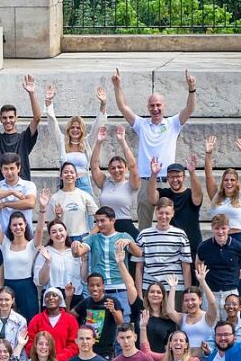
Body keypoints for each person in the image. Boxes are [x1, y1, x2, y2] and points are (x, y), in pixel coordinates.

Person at [113, 67, 196, 230]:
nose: (155, 108)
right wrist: (117, 86)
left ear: (164, 106)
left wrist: (192, 88)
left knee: (173, 226)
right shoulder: (142, 125)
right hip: (145, 182)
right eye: (152, 105)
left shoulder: (173, 123)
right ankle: (144, 255)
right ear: (148, 107)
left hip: (168, 183)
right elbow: (123, 107)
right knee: (144, 227)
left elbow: (190, 109)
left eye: (158, 105)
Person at [73, 207, 142, 326]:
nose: (99, 224)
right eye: (97, 221)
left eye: (103, 220)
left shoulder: (123, 236)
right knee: (96, 329)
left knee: (123, 326)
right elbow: (78, 252)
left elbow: (139, 253)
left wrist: (129, 242)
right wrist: (75, 246)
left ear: (112, 220)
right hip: (99, 291)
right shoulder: (93, 238)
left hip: (120, 289)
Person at [44, 84, 105, 197]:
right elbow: (53, 125)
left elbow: (97, 126)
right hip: (66, 183)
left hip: (83, 183)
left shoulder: (87, 142)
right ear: (68, 129)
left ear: (82, 130)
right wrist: (48, 102)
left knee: (87, 214)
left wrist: (103, 104)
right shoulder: (62, 141)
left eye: (78, 128)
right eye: (72, 127)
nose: (75, 130)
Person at [0, 74, 42, 179]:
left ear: (16, 118)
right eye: (5, 118)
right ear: (0, 119)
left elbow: (37, 118)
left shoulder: (24, 138)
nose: (8, 121)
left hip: (22, 185)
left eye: (11, 117)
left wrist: (31, 93)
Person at [0, 184, 39, 320]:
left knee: (30, 322)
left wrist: (42, 210)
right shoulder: (5, 243)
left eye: (20, 224)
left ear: (25, 225)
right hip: (9, 286)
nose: (18, 227)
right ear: (10, 228)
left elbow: (40, 229)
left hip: (27, 288)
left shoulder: (32, 245)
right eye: (14, 225)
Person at [91, 124, 141, 238]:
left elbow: (133, 165)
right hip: (104, 226)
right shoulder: (105, 182)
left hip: (124, 225)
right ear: (109, 170)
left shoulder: (131, 184)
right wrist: (98, 142)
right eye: (113, 168)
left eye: (120, 167)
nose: (116, 170)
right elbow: (94, 166)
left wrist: (122, 141)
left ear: (125, 168)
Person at [34, 194, 84, 307]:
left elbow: (84, 278)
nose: (58, 234)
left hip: (75, 296)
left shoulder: (75, 251)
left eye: (61, 230)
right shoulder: (45, 252)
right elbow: (40, 282)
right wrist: (47, 263)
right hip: (52, 297)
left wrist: (84, 260)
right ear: (50, 236)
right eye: (54, 232)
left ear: (66, 232)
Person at [136, 197, 193, 294]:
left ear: (173, 214)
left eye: (167, 213)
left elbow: (186, 267)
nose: (163, 216)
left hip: (174, 287)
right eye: (161, 213)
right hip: (149, 287)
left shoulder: (180, 235)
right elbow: (139, 267)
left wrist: (187, 293)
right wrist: (140, 295)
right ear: (156, 212)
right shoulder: (144, 235)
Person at [0, 152, 38, 239]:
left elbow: (30, 203)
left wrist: (6, 204)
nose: (9, 172)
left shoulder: (28, 185)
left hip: (25, 236)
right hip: (2, 237)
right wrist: (11, 192)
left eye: (12, 168)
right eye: (5, 169)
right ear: (1, 170)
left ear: (19, 168)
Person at [73, 273, 125, 361]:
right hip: (87, 348)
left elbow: (120, 323)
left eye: (98, 285)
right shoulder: (86, 302)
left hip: (105, 351)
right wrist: (69, 297)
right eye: (92, 285)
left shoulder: (112, 301)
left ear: (103, 286)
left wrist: (113, 311)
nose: (95, 288)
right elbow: (69, 316)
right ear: (88, 287)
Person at [45, 163, 99, 243]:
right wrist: (57, 217)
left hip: (82, 238)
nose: (69, 174)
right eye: (66, 172)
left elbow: (100, 219)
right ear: (61, 176)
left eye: (72, 172)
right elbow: (49, 224)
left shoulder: (84, 195)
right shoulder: (55, 198)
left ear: (76, 176)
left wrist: (90, 235)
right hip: (63, 239)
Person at [26, 287, 80, 361]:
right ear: (44, 301)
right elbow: (29, 342)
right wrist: (41, 358)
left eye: (54, 295)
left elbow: (74, 345)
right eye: (47, 296)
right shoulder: (36, 320)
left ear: (60, 299)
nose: (51, 298)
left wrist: (58, 359)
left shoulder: (70, 320)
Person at [197, 214, 241, 308]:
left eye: (223, 228)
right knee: (210, 322)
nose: (220, 232)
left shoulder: (238, 247)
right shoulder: (204, 247)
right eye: (217, 228)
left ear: (229, 228)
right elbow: (198, 263)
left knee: (231, 322)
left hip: (231, 292)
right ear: (212, 228)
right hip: (210, 292)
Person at [203, 136, 241, 235]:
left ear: (237, 182)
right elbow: (208, 175)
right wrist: (208, 154)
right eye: (226, 180)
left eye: (232, 180)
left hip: (238, 238)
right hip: (219, 238)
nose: (229, 182)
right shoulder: (216, 195)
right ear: (222, 182)